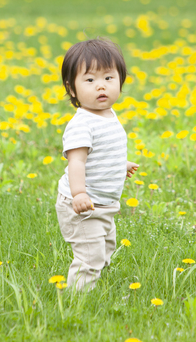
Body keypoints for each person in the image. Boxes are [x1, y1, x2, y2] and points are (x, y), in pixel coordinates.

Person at [55, 37, 139, 291]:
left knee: (104, 249)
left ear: (120, 81)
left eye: (108, 78)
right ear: (72, 89)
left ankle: (94, 286)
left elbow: (100, 151)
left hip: (104, 205)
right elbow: (76, 161)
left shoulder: (108, 116)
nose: (100, 86)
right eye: (90, 80)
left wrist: (118, 164)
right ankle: (77, 301)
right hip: (83, 205)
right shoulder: (82, 123)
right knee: (89, 258)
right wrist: (79, 193)